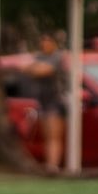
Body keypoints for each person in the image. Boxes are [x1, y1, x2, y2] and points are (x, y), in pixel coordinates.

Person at [26, 33, 69, 172]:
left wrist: (36, 68)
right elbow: (27, 68)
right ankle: (48, 164)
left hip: (55, 101)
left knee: (54, 135)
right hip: (42, 100)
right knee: (46, 135)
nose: (44, 44)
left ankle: (53, 166)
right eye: (43, 41)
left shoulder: (58, 57)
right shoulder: (39, 56)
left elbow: (44, 70)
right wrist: (34, 68)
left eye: (48, 41)